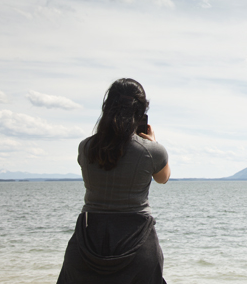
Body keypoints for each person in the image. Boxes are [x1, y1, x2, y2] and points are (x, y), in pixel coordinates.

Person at [57, 78, 170, 284]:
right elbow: (163, 178)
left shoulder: (85, 147)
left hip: (87, 241)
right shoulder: (152, 151)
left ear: (107, 108)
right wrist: (153, 143)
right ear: (141, 111)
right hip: (137, 243)